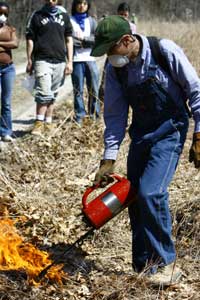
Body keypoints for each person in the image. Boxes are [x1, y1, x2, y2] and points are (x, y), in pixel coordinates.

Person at [91, 15, 200, 286]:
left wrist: (199, 133)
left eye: (111, 50)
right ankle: (144, 267)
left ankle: (167, 264)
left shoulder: (164, 50)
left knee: (152, 192)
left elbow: (196, 91)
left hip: (170, 131)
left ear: (127, 41)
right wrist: (109, 157)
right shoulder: (116, 69)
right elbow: (115, 115)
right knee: (134, 198)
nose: (109, 56)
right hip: (141, 134)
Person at [26, 0, 73, 136]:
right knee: (44, 92)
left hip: (59, 60)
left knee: (53, 93)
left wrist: (70, 61)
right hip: (42, 59)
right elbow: (30, 39)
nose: (51, 1)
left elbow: (69, 39)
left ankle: (48, 122)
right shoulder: (37, 15)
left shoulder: (64, 16)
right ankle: (38, 123)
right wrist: (29, 60)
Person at [70, 0, 100, 124]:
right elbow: (69, 39)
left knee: (94, 89)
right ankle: (80, 115)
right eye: (79, 3)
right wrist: (84, 42)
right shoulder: (69, 20)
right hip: (76, 59)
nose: (82, 6)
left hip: (91, 59)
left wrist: (83, 39)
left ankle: (94, 115)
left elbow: (97, 39)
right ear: (75, 5)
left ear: (88, 6)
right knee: (78, 90)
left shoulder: (92, 21)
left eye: (84, 4)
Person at [0, 2, 18, 142]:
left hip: (8, 68)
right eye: (0, 13)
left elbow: (15, 44)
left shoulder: (10, 28)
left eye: (5, 14)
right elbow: (9, 44)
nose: (2, 16)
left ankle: (6, 131)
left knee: (6, 102)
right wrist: (6, 45)